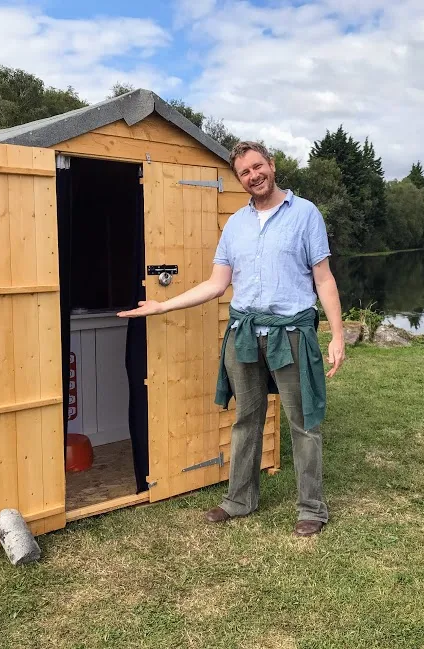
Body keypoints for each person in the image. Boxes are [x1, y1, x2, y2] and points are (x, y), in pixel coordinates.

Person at [118, 141, 345, 537]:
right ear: (239, 178)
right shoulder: (236, 224)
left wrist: (337, 335)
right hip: (243, 335)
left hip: (290, 333)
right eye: (245, 172)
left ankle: (311, 507)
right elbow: (216, 284)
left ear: (271, 166)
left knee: (304, 421)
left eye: (258, 167)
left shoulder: (304, 214)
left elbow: (323, 278)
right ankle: (240, 499)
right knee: (246, 419)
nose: (253, 175)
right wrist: (162, 306)